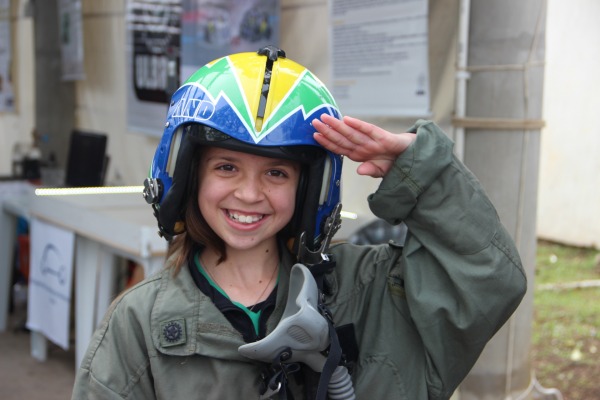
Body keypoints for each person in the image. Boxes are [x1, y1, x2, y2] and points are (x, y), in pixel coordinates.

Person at [71, 46, 526, 400]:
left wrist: (426, 175)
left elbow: (487, 283)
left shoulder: (369, 292)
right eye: (226, 167)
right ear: (190, 175)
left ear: (309, 188)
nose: (249, 194)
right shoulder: (139, 324)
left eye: (276, 173)